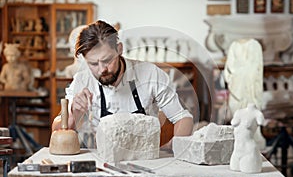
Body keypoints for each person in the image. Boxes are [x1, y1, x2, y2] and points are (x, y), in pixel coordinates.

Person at [52, 20, 194, 150]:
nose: (102, 69)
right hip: (105, 160)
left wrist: (172, 147)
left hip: (146, 160)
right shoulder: (83, 80)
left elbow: (183, 118)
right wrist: (74, 112)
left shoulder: (150, 74)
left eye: (107, 60)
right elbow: (58, 130)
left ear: (119, 49)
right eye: (93, 63)